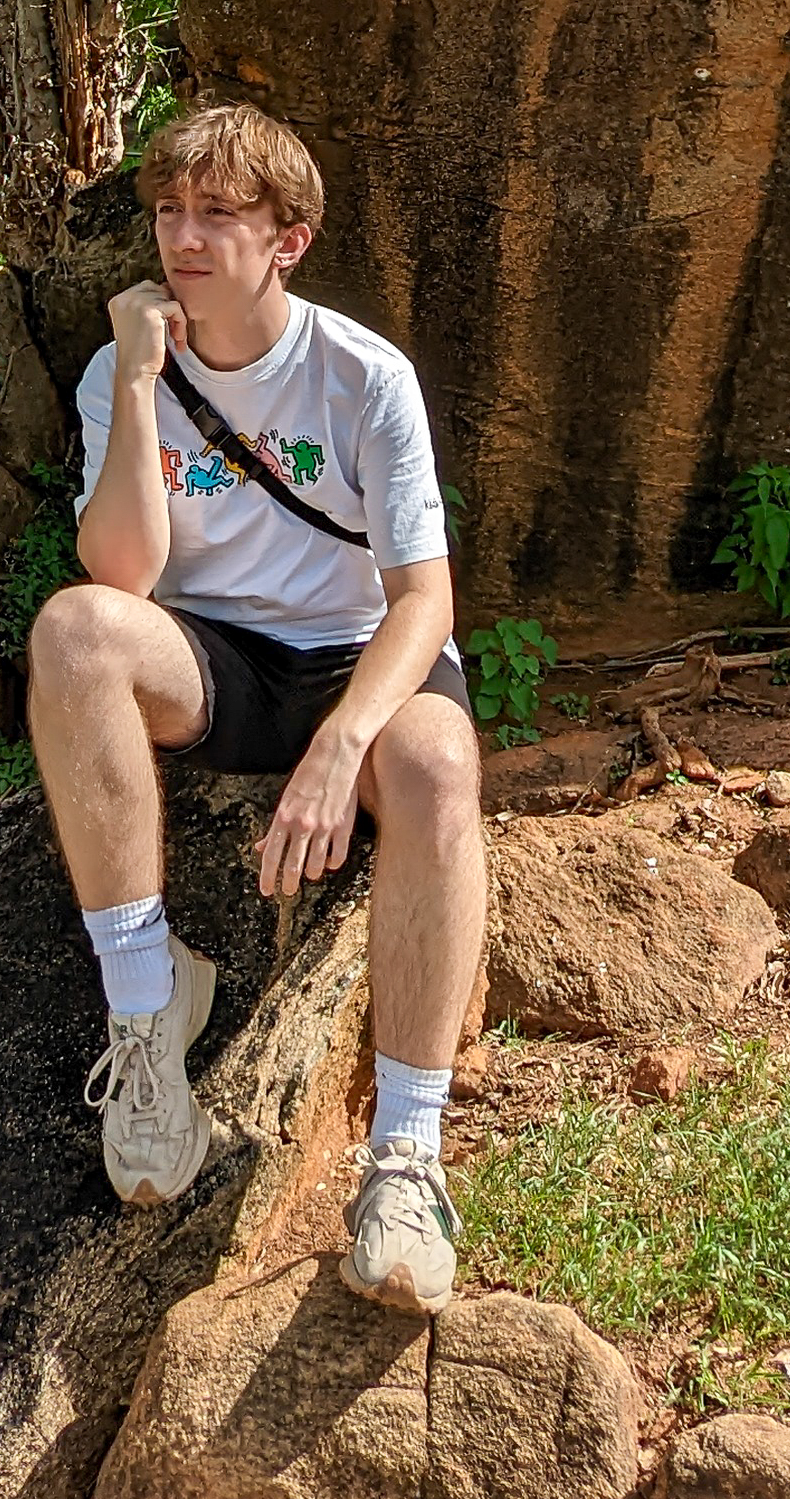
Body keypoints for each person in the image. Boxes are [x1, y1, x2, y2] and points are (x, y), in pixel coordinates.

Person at [28, 103, 486, 1311]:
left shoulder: (361, 376)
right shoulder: (115, 372)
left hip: (355, 655)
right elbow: (120, 574)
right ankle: (147, 1017)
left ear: (289, 239)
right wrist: (134, 382)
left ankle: (406, 1155)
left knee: (436, 766)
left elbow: (425, 599)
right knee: (73, 630)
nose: (184, 238)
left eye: (219, 216)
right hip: (212, 659)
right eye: (170, 212)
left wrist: (343, 748)